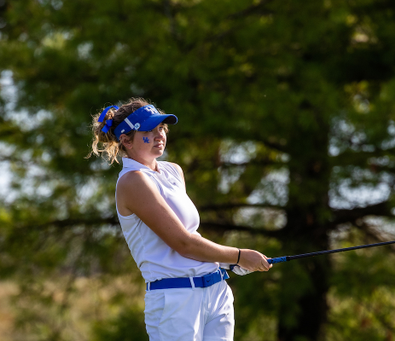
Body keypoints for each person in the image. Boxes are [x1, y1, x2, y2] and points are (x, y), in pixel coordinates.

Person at [88, 98, 272, 341]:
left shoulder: (173, 171)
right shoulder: (132, 181)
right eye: (148, 130)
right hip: (176, 301)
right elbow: (182, 243)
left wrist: (227, 263)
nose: (159, 135)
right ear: (126, 140)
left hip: (216, 291)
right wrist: (239, 256)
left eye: (161, 128)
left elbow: (190, 233)